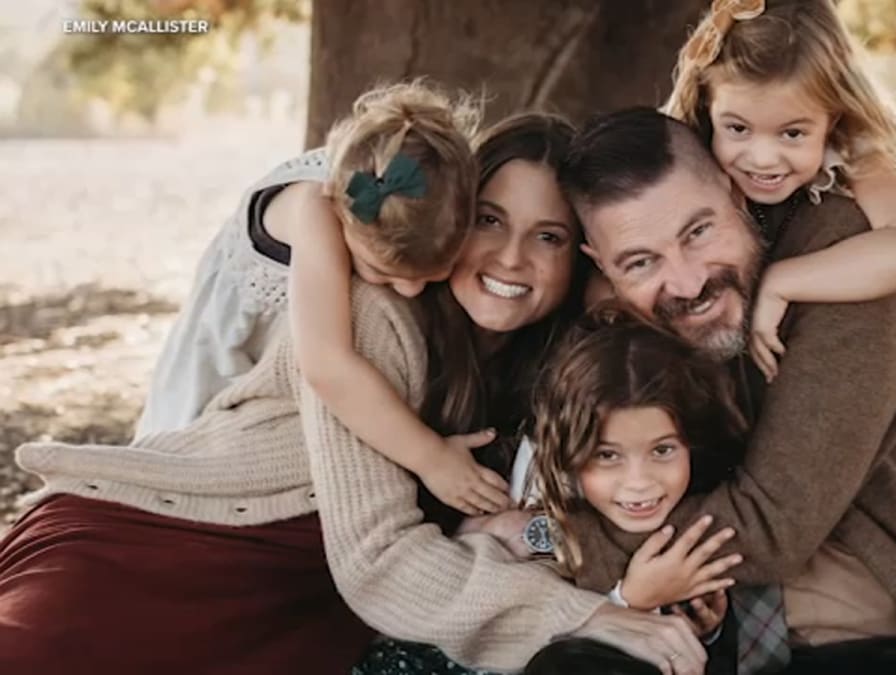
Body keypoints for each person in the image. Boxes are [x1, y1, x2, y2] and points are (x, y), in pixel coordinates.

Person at [0, 111, 711, 675]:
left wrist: (548, 544)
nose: (510, 257)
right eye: (489, 220)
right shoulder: (379, 316)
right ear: (455, 216)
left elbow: (554, 526)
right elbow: (379, 559)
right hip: (162, 551)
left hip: (302, 612)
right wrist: (583, 613)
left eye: (548, 236)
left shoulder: (554, 369)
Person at [522, 105, 896, 673]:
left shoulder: (851, 265)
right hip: (705, 641)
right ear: (602, 264)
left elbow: (772, 524)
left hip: (886, 648)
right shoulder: (618, 315)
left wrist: (559, 541)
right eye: (640, 262)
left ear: (737, 195)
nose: (687, 282)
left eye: (699, 231)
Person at [663, 0, 896, 516]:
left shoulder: (859, 152)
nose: (762, 157)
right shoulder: (693, 149)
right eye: (738, 130)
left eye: (793, 134)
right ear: (709, 106)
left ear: (833, 117)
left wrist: (781, 281)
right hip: (801, 295)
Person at [137, 80, 513, 518]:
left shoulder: (432, 192)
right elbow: (327, 365)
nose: (411, 291)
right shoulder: (315, 207)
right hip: (228, 359)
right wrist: (431, 458)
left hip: (289, 373)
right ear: (341, 207)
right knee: (185, 476)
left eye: (433, 277)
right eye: (386, 275)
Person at [524, 305, 751, 674]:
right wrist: (630, 602)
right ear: (570, 452)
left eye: (663, 450)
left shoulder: (708, 501)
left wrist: (703, 632)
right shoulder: (537, 526)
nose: (640, 482)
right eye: (607, 455)